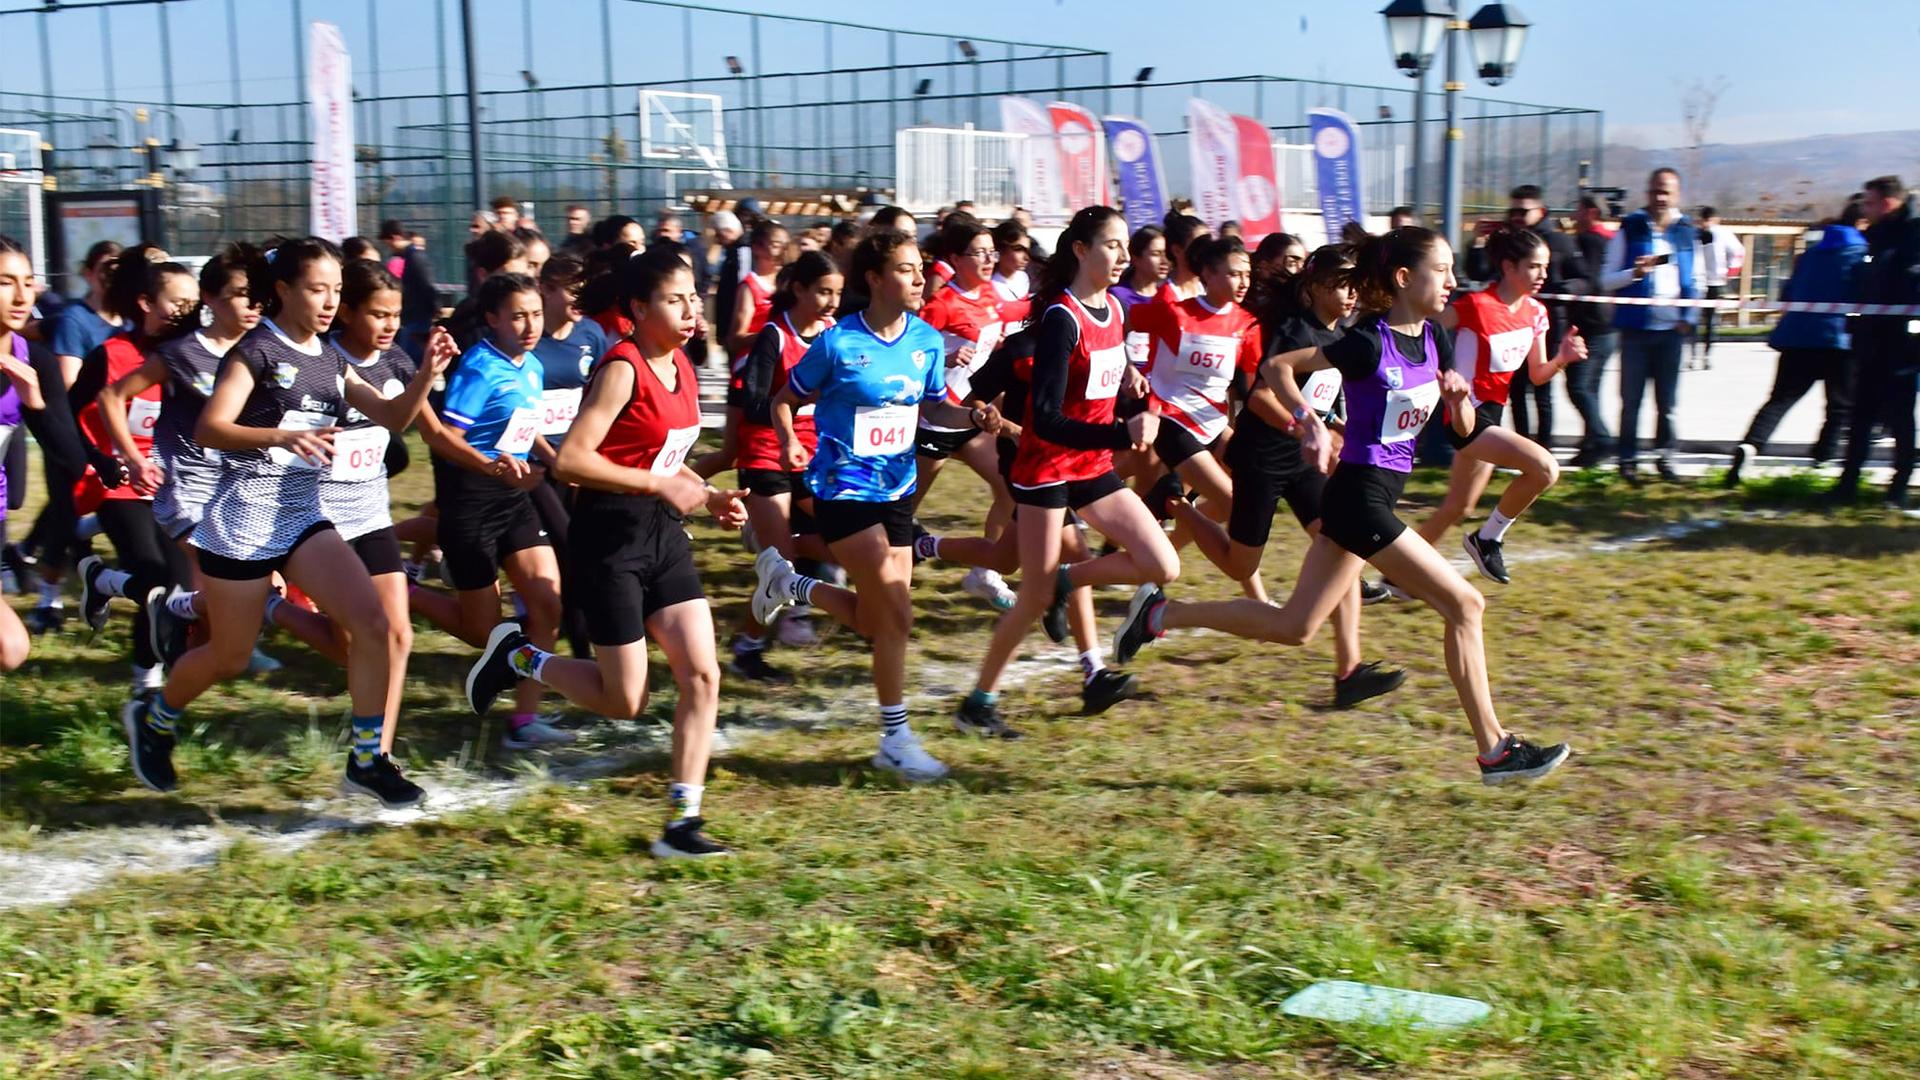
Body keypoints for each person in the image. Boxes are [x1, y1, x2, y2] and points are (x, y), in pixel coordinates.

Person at [1115, 227, 1571, 783]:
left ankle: (1160, 614)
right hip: (1360, 500)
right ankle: (1495, 749)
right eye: (1443, 270)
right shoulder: (1366, 342)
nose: (1453, 280)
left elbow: (1466, 437)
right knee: (1465, 606)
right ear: (1405, 279)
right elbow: (1280, 369)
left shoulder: (1434, 339)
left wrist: (1457, 406)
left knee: (1296, 626)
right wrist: (1307, 423)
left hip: (1368, 498)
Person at [125, 237, 447, 805]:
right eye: (317, 289)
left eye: (337, 291)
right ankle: (154, 719)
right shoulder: (256, 353)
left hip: (301, 516)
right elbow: (211, 427)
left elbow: (394, 417)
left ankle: (368, 761)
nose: (329, 302)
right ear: (283, 291)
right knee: (228, 655)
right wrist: (284, 435)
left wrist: (425, 372)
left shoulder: (330, 356)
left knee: (376, 626)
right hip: (241, 523)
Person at [466, 249, 743, 858]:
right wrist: (659, 485)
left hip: (664, 536)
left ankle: (682, 821)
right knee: (625, 701)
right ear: (640, 309)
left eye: (695, 296)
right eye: (676, 299)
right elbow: (571, 461)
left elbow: (664, 460)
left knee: (702, 674)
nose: (692, 308)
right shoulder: (623, 367)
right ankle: (518, 657)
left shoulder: (685, 368)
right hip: (609, 540)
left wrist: (706, 494)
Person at [754, 229, 1000, 781]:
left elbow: (937, 405)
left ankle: (791, 585)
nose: (920, 279)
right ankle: (895, 737)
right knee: (899, 613)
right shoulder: (838, 343)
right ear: (874, 278)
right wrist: (790, 436)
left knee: (878, 622)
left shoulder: (926, 341)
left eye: (921, 269)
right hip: (843, 490)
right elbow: (784, 399)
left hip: (898, 492)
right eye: (908, 269)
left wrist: (975, 416)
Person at [952, 205, 1179, 739]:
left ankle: (1065, 581)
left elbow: (1102, 380)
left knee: (1161, 563)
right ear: (1080, 250)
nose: (1124, 256)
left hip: (1091, 464)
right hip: (1046, 469)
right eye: (1112, 245)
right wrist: (1121, 435)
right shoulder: (1060, 318)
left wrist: (1130, 388)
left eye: (1126, 246)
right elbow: (1049, 421)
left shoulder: (1114, 312)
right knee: (1030, 597)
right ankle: (978, 703)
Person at [409, 271, 571, 748]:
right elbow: (446, 441)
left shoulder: (532, 366)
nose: (530, 324)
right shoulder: (480, 368)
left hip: (514, 497)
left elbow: (524, 421)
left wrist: (556, 458)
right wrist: (492, 466)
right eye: (518, 315)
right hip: (472, 500)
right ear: (492, 319)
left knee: (547, 603)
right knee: (480, 631)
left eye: (536, 313)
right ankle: (401, 588)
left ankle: (524, 720)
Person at [1397, 227, 1586, 589]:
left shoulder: (1536, 313)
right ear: (1509, 267)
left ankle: (1397, 574)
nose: (1543, 275)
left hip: (1491, 417)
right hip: (1463, 416)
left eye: (1546, 266)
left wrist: (1562, 358)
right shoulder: (1476, 307)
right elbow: (1423, 324)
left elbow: (1538, 374)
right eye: (1534, 266)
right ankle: (1488, 539)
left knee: (1458, 508)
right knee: (1545, 468)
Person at [69, 256, 201, 696]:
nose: (187, 312)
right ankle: (146, 684)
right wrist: (104, 462)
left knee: (182, 587)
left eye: (193, 303)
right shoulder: (109, 355)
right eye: (177, 303)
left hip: (174, 488)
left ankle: (101, 580)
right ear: (145, 302)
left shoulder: (191, 357)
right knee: (154, 579)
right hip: (120, 485)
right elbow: (65, 419)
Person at [1130, 236, 1267, 599]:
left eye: (1247, 275)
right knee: (1235, 504)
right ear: (1208, 273)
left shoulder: (1248, 324)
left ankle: (1165, 530)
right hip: (1172, 422)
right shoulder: (1174, 312)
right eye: (1234, 274)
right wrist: (1129, 369)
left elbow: (1250, 383)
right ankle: (1256, 598)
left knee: (1243, 500)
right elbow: (1117, 325)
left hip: (1215, 423)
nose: (1243, 283)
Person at [726, 252, 841, 680]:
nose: (832, 302)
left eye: (837, 293)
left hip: (817, 456)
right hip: (767, 455)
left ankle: (776, 537)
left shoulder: (833, 332)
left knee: (842, 546)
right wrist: (797, 400)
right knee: (782, 569)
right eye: (823, 292)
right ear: (799, 289)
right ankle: (746, 648)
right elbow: (754, 404)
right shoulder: (774, 336)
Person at [912, 219, 1020, 611]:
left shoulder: (991, 294)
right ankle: (877, 581)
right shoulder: (942, 304)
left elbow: (1012, 314)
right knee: (904, 510)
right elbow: (909, 352)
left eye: (992, 252)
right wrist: (942, 354)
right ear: (955, 258)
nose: (990, 259)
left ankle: (985, 572)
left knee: (1008, 489)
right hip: (934, 419)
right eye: (980, 252)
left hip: (971, 417)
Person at [1726, 202, 1865, 486]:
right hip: (1838, 340)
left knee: (1780, 400)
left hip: (1796, 337)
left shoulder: (1810, 254)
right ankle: (1822, 459)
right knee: (1839, 406)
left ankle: (1751, 445)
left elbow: (1789, 292)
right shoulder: (1861, 255)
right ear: (1862, 223)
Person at [1601, 167, 1702, 485]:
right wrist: (1634, 273)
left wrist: (1689, 320)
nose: (1661, 197)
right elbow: (1605, 279)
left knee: (1667, 404)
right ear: (1647, 192)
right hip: (1635, 331)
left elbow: (1696, 281)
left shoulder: (1687, 231)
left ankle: (1665, 459)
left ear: (1677, 194)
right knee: (1631, 402)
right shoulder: (1630, 228)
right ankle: (1627, 460)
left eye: (1667, 191)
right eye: (1656, 190)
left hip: (1672, 333)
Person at [1473, 185, 1588, 448]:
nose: (1516, 216)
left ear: (1541, 211)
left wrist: (1558, 291)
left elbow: (1585, 278)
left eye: (1523, 211)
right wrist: (1479, 244)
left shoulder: (1559, 241)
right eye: (1512, 210)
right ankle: (1521, 446)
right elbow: (1479, 272)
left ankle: (1543, 447)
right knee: (1515, 390)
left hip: (1546, 324)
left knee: (1542, 392)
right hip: (1506, 323)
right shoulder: (1507, 243)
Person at [1832, 176, 1920, 507]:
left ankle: (1899, 486)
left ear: (1886, 202)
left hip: (1903, 346)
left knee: (1900, 418)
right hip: (1870, 341)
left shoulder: (1914, 235)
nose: (1864, 209)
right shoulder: (1874, 236)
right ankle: (1848, 484)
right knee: (1861, 416)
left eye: (1869, 202)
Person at [0, 237, 46, 670]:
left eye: (27, 283)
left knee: (11, 650)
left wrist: (32, 396)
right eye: (4, 282)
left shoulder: (22, 351)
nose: (20, 296)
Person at [1566, 196, 1617, 468]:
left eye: (1578, 209)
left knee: (1578, 386)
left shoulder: (1590, 240)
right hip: (1608, 323)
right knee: (1591, 389)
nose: (1574, 215)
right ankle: (1591, 446)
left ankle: (1602, 437)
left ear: (1590, 212)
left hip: (1592, 324)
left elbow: (1591, 279)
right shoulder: (1611, 239)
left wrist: (1568, 287)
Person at [1692, 207, 1745, 370]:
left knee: (1705, 320)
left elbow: (1738, 252)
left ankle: (1701, 356)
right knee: (1700, 320)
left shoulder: (1719, 233)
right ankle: (1698, 356)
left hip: (1708, 282)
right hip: (1704, 281)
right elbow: (1739, 252)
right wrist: (1730, 271)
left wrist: (1729, 271)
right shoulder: (1697, 234)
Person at [381, 220, 439, 362]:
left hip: (417, 317)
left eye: (388, 243)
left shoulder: (414, 257)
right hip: (414, 316)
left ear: (395, 238)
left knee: (412, 359)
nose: (389, 248)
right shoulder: (409, 257)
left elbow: (427, 285)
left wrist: (434, 309)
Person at [1110, 226, 1167, 310]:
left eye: (1167, 254)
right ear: (1135, 258)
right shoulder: (1118, 296)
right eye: (1156, 254)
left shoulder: (1168, 295)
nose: (1164, 261)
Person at [990, 219, 1034, 304]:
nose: (1026, 257)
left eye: (1027, 250)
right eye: (1018, 250)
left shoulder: (1024, 278)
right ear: (1000, 249)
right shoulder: (987, 285)